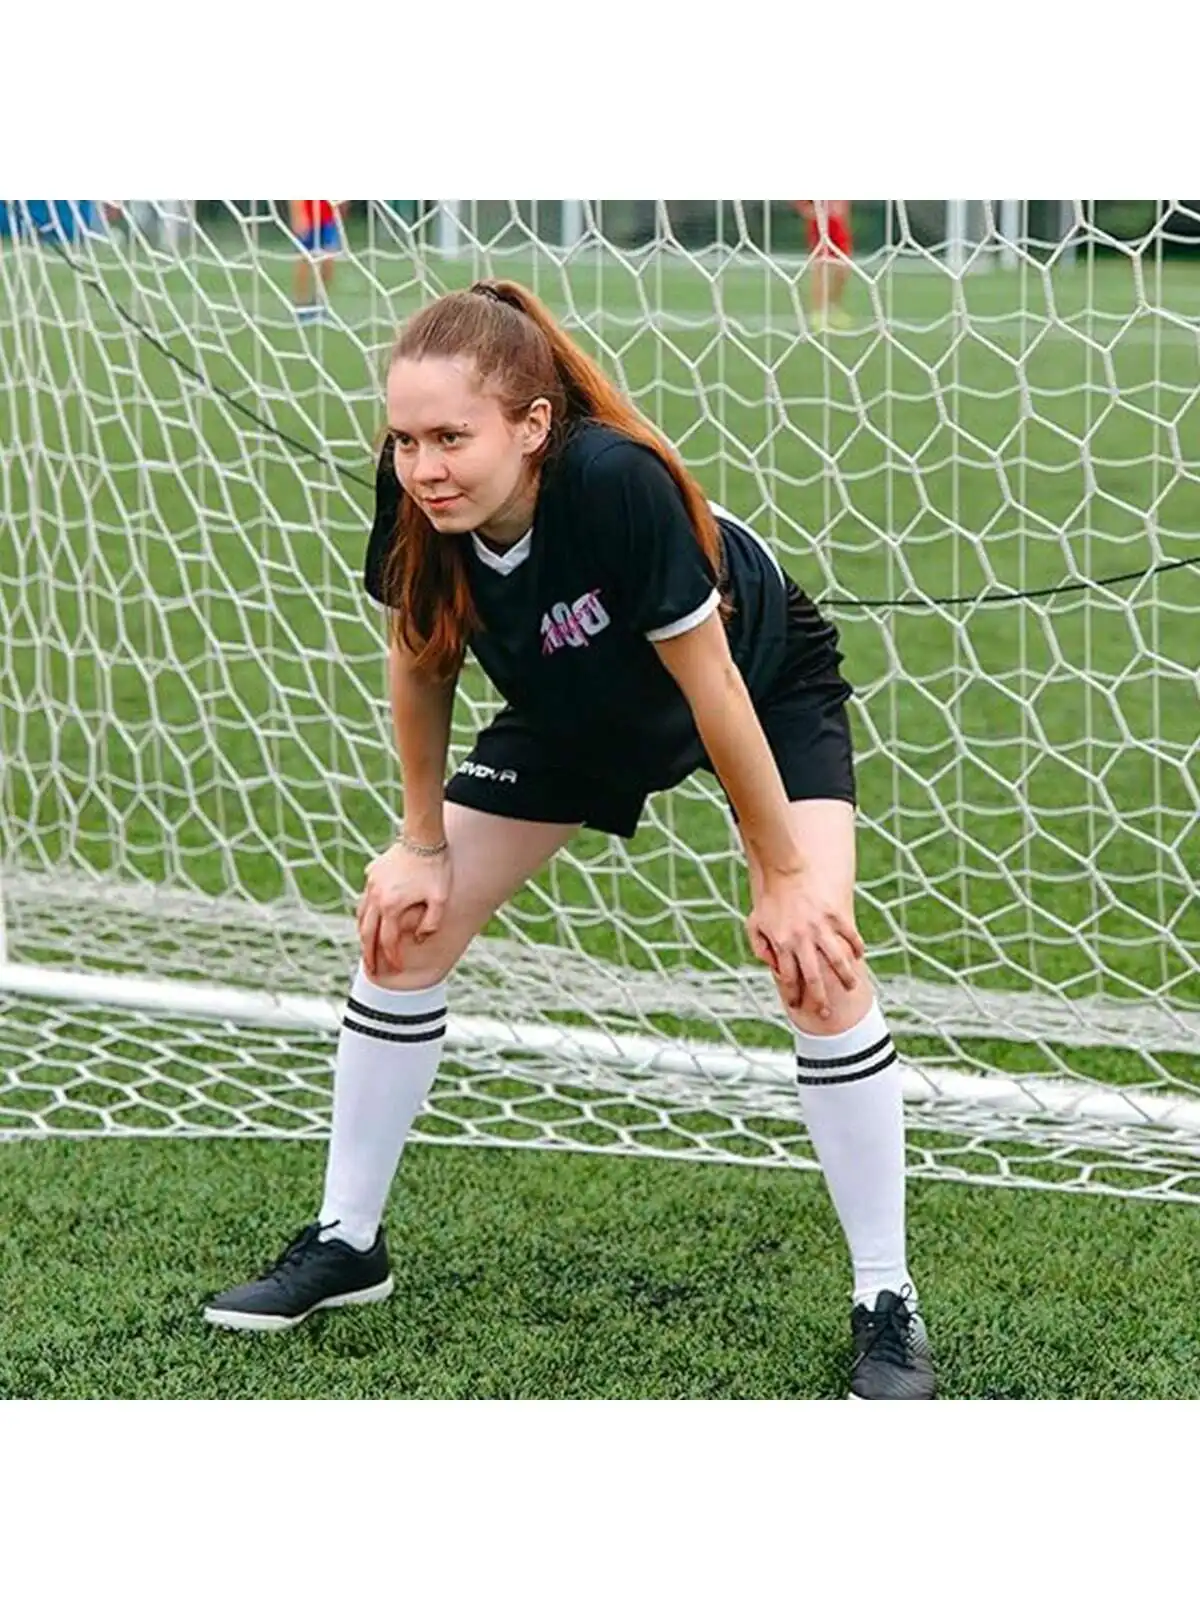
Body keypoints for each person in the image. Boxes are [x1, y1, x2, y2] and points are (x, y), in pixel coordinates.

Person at [203, 279, 936, 1400]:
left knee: (818, 960)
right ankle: (348, 1241)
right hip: (569, 712)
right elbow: (421, 659)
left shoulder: (615, 485)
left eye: (452, 436)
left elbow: (716, 689)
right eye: (405, 440)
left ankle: (886, 1300)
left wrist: (783, 873)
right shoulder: (417, 505)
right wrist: (421, 842)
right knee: (404, 933)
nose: (424, 465)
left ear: (532, 426)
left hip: (758, 684)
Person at [795, 201, 854, 330]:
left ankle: (834, 309)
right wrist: (816, 213)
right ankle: (818, 313)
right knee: (821, 270)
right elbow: (804, 206)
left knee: (843, 270)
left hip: (839, 227)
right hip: (821, 226)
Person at [289, 199, 342, 322]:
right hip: (308, 218)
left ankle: (319, 303)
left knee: (329, 260)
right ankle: (300, 304)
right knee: (304, 260)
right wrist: (298, 214)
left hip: (328, 219)